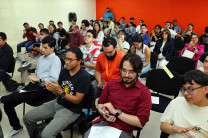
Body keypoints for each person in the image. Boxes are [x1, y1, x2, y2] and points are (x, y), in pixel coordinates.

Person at [0, 36, 61, 138]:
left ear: (52, 48)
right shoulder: (41, 58)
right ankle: (17, 127)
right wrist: (34, 76)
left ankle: (2, 98)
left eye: (45, 48)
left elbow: (54, 79)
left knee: (15, 96)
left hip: (45, 89)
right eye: (42, 47)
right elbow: (37, 72)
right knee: (8, 103)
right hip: (34, 85)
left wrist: (40, 79)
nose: (42, 50)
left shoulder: (55, 60)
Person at [23, 47, 91, 138]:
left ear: (79, 61)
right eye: (65, 58)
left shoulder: (84, 76)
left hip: (71, 110)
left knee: (46, 135)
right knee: (27, 118)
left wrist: (60, 91)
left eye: (70, 59)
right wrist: (54, 90)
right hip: (57, 103)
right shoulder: (64, 71)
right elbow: (59, 91)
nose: (66, 62)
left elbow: (77, 100)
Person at [84, 54, 152, 138]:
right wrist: (105, 113)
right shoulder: (112, 83)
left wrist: (116, 113)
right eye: (123, 70)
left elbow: (141, 123)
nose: (126, 75)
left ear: (138, 72)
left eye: (131, 72)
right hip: (104, 123)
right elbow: (100, 104)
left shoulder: (144, 92)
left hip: (124, 129)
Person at [160, 70, 208, 138]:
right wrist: (176, 129)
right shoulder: (177, 102)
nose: (185, 93)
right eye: (184, 89)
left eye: (191, 89)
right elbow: (163, 126)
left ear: (205, 89)